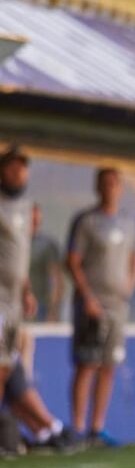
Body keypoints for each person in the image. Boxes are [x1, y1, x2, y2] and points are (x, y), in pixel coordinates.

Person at [66, 167, 135, 448]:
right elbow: (72, 261)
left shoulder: (127, 222)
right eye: (105, 183)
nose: (110, 188)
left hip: (117, 306)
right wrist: (87, 298)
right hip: (91, 305)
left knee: (109, 364)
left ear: (120, 188)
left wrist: (129, 285)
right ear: (98, 187)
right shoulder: (86, 221)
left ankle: (97, 427)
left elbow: (133, 256)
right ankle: (78, 427)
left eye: (114, 183)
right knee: (88, 363)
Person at [0, 145, 37, 408]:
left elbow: (21, 254)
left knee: (5, 366)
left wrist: (26, 290)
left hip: (14, 300)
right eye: (13, 167)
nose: (18, 172)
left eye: (22, 168)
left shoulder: (25, 208)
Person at [30, 204, 65, 323]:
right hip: (15, 306)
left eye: (36, 221)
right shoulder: (12, 244)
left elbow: (56, 279)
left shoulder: (47, 246)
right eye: (31, 220)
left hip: (41, 307)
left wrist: (54, 310)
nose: (33, 224)